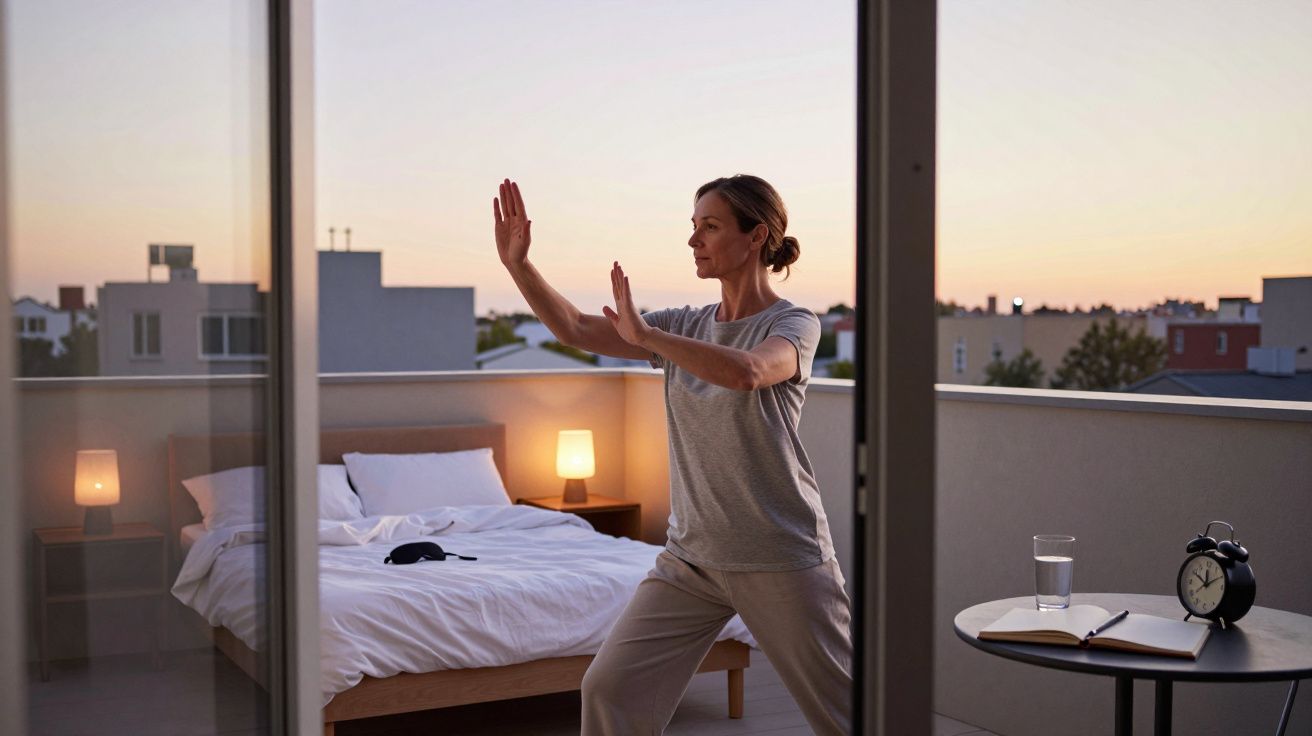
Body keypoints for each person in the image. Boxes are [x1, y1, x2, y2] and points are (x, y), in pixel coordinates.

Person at [492, 174, 852, 736]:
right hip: (691, 558)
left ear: (757, 236)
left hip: (778, 554)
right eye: (693, 227)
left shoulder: (792, 324)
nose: (694, 241)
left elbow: (749, 372)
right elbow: (574, 327)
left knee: (845, 714)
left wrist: (646, 339)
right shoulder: (684, 323)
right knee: (611, 690)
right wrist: (519, 265)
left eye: (709, 227)